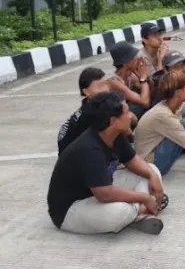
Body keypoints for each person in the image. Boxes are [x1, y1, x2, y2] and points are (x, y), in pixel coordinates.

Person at [47, 92, 166, 235]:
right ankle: (140, 211)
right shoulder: (90, 149)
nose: (131, 117)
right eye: (127, 113)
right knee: (118, 213)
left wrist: (151, 175)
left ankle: (137, 214)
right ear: (114, 121)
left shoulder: (114, 134)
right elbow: (104, 194)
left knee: (151, 170)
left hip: (97, 190)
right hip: (71, 209)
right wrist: (145, 198)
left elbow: (133, 160)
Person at [58, 68, 113, 154]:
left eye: (106, 84)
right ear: (86, 91)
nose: (105, 90)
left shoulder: (99, 106)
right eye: (99, 87)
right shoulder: (87, 116)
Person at [107, 41, 152, 119]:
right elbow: (145, 102)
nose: (138, 58)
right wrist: (143, 78)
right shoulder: (114, 81)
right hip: (114, 119)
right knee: (137, 109)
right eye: (134, 57)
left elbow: (151, 93)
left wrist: (145, 75)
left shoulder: (131, 76)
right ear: (126, 62)